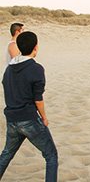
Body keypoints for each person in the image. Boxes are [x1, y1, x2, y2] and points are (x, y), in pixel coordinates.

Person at [0, 32, 58, 182]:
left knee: (7, 153)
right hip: (29, 119)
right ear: (36, 47)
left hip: (12, 120)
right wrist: (44, 118)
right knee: (51, 156)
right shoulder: (36, 68)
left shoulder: (8, 70)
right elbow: (38, 99)